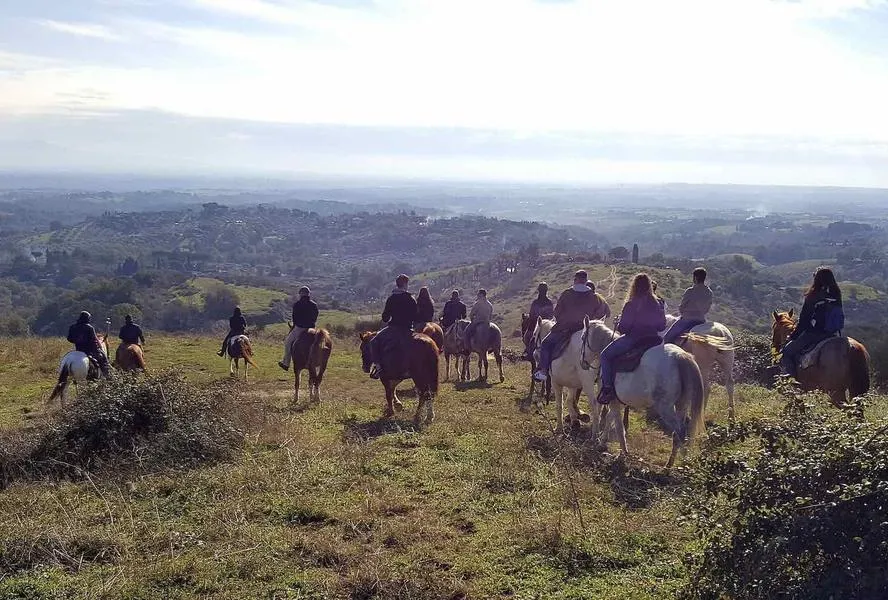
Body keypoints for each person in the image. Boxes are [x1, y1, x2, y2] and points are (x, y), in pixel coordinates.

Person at [597, 273, 667, 404]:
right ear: (649, 286)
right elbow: (662, 326)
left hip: (634, 339)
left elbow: (624, 328)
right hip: (654, 340)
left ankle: (607, 389)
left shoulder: (631, 304)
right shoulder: (658, 303)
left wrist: (618, 324)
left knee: (605, 356)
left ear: (634, 286)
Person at [534, 270, 609, 381]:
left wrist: (563, 320)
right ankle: (601, 375)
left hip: (564, 329)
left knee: (545, 343)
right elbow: (600, 314)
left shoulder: (567, 294)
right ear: (585, 280)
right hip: (584, 330)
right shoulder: (594, 297)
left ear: (575, 280)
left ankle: (543, 371)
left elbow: (557, 312)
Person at [780, 267, 844, 380]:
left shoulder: (813, 296)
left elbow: (804, 321)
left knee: (787, 352)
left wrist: (793, 336)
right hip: (832, 333)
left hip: (814, 334)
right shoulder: (836, 295)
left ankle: (791, 381)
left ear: (816, 279)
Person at [368, 274, 418, 379]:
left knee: (373, 342)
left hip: (393, 329)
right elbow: (415, 316)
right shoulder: (411, 298)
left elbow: (385, 318)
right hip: (408, 329)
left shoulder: (391, 298)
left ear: (397, 284)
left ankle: (378, 367)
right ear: (405, 284)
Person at [663, 268, 711, 345]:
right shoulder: (709, 292)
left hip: (687, 320)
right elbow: (707, 308)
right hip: (701, 320)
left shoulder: (690, 291)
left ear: (695, 278)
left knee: (667, 338)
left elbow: (682, 306)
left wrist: (682, 311)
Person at [279, 286, 319, 371]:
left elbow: (295, 318)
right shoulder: (314, 305)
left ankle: (286, 363)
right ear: (308, 294)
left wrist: (296, 325)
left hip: (299, 328)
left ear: (300, 294)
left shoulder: (297, 304)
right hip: (311, 329)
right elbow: (315, 317)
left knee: (288, 343)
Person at [67, 311, 111, 377]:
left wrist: (77, 341)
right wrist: (98, 348)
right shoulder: (89, 327)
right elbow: (94, 339)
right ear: (87, 318)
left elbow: (69, 338)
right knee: (103, 358)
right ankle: (107, 375)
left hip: (78, 349)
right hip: (90, 350)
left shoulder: (72, 327)